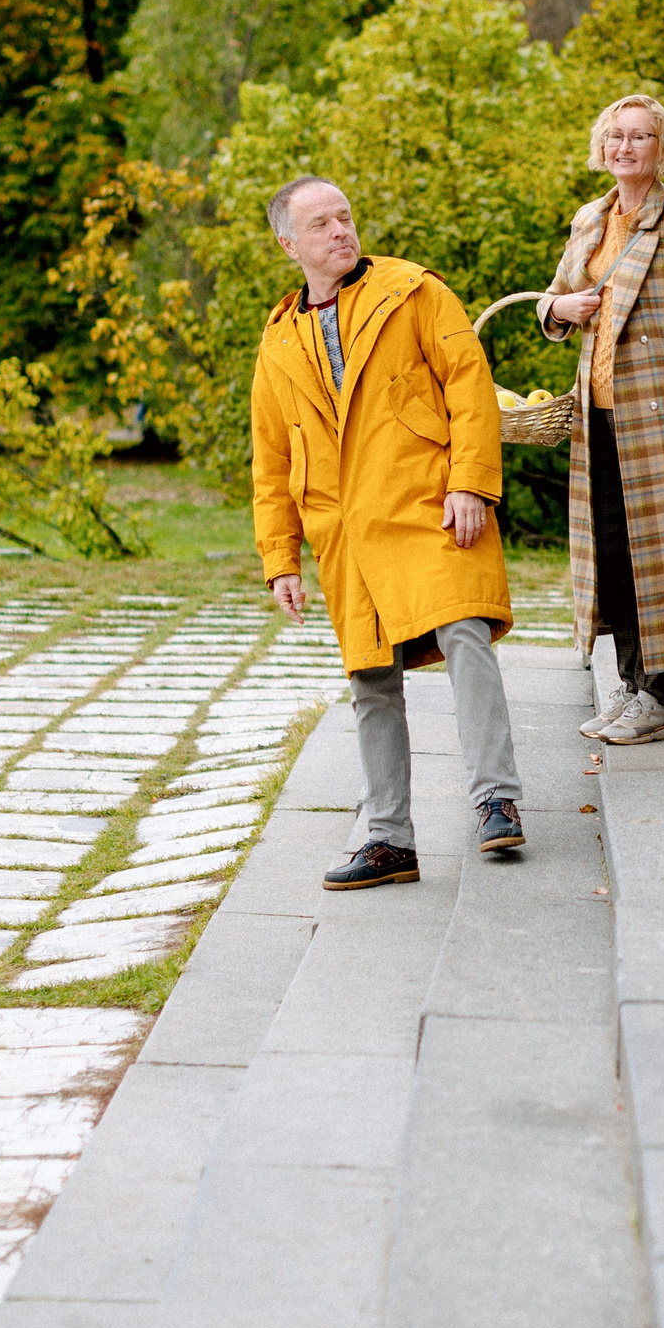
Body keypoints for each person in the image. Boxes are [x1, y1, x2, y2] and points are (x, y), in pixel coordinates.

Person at [250, 175, 524, 889]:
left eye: (346, 215)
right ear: (289, 244)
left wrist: (470, 481)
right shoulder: (278, 340)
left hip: (428, 502)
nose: (341, 230)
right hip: (346, 530)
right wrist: (281, 556)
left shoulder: (414, 291)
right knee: (371, 679)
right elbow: (271, 455)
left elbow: (469, 382)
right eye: (321, 224)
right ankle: (389, 840)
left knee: (464, 632)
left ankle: (496, 797)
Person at [541, 95, 664, 745]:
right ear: (602, 146)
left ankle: (661, 700)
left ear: (663, 149)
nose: (625, 147)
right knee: (614, 556)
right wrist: (559, 308)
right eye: (615, 136)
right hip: (595, 409)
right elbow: (556, 300)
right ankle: (631, 685)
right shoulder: (590, 219)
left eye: (640, 137)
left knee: (654, 555)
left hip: (658, 413)